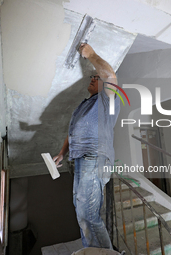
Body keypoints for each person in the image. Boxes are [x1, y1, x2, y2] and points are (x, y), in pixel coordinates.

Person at [53, 43, 120, 249]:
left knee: (88, 214)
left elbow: (110, 76)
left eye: (95, 78)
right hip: (81, 158)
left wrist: (90, 54)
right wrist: (62, 153)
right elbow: (74, 132)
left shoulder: (108, 101)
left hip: (95, 157)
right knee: (80, 210)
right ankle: (91, 251)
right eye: (92, 77)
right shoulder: (84, 106)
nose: (93, 79)